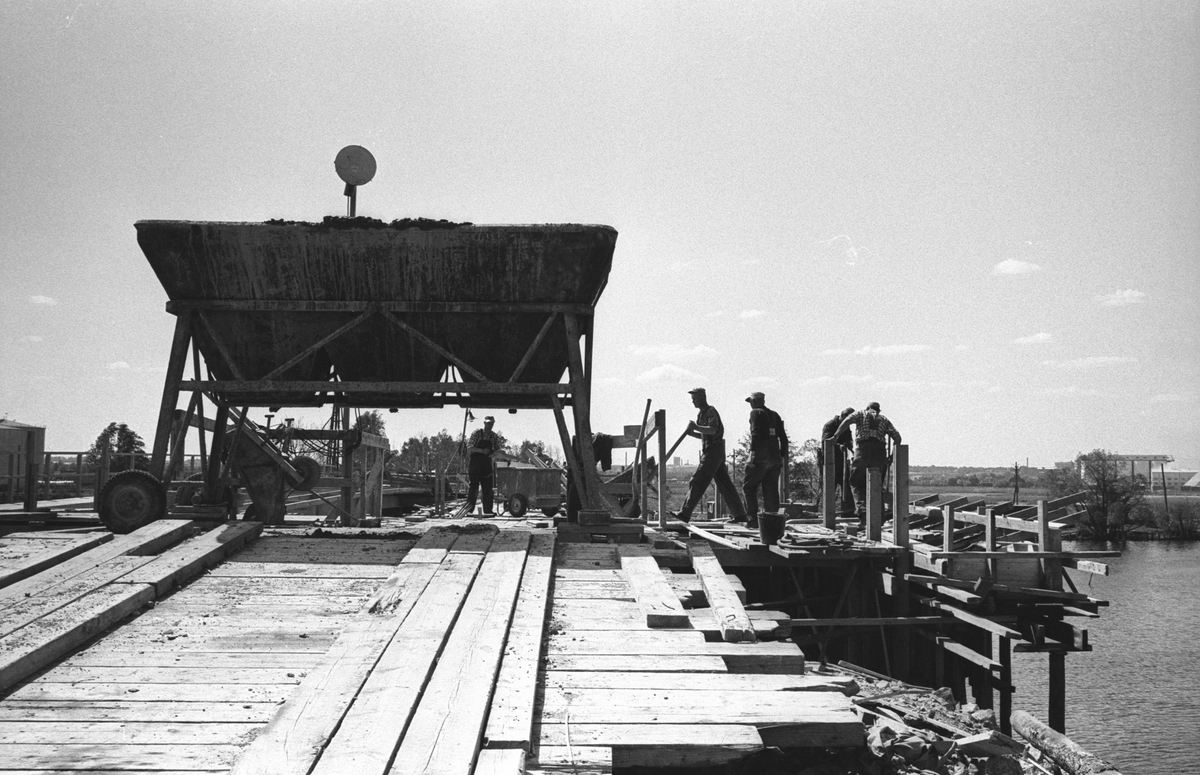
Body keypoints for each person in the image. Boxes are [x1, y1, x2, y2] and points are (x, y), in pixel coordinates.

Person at [672, 388, 748, 523]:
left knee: (697, 480)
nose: (693, 402)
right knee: (725, 484)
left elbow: (712, 430)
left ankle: (685, 513)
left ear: (702, 398)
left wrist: (696, 427)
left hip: (714, 451)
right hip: (711, 450)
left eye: (695, 399)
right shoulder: (700, 414)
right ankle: (740, 515)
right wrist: (693, 433)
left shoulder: (710, 411)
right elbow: (705, 435)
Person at [835, 402, 901, 521]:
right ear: (879, 410)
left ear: (867, 408)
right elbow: (897, 438)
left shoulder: (861, 414)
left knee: (856, 483)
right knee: (877, 486)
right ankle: (878, 520)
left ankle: (863, 513)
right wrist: (891, 457)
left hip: (863, 451)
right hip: (880, 453)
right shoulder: (884, 420)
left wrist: (835, 436)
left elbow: (847, 420)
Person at [742, 392, 788, 528]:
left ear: (754, 401)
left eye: (750, 402)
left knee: (749, 487)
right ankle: (772, 523)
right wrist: (781, 456)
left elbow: (755, 434)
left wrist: (752, 455)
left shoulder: (755, 413)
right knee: (771, 489)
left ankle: (752, 521)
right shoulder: (774, 415)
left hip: (761, 456)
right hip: (775, 457)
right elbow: (784, 438)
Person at [820, 407, 856, 518]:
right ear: (844, 416)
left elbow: (849, 441)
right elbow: (826, 441)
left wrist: (850, 446)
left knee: (847, 486)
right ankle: (828, 515)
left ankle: (847, 513)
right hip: (829, 461)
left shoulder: (846, 427)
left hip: (842, 461)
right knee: (829, 488)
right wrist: (839, 446)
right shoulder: (830, 425)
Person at [465, 415, 500, 516]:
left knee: (488, 489)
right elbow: (469, 447)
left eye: (491, 423)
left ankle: (488, 511)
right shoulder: (477, 433)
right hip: (475, 464)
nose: (490, 425)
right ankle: (469, 510)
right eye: (488, 423)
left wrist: (498, 454)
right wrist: (482, 451)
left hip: (486, 465)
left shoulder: (494, 436)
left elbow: (498, 450)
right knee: (473, 488)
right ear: (484, 423)